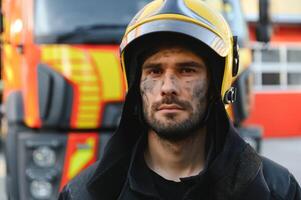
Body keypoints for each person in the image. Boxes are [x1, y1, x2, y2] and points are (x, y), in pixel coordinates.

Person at [58, 0, 301, 199]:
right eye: (154, 71)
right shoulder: (86, 195)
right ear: (136, 86)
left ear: (216, 84)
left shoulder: (275, 190)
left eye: (187, 70)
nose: (167, 88)